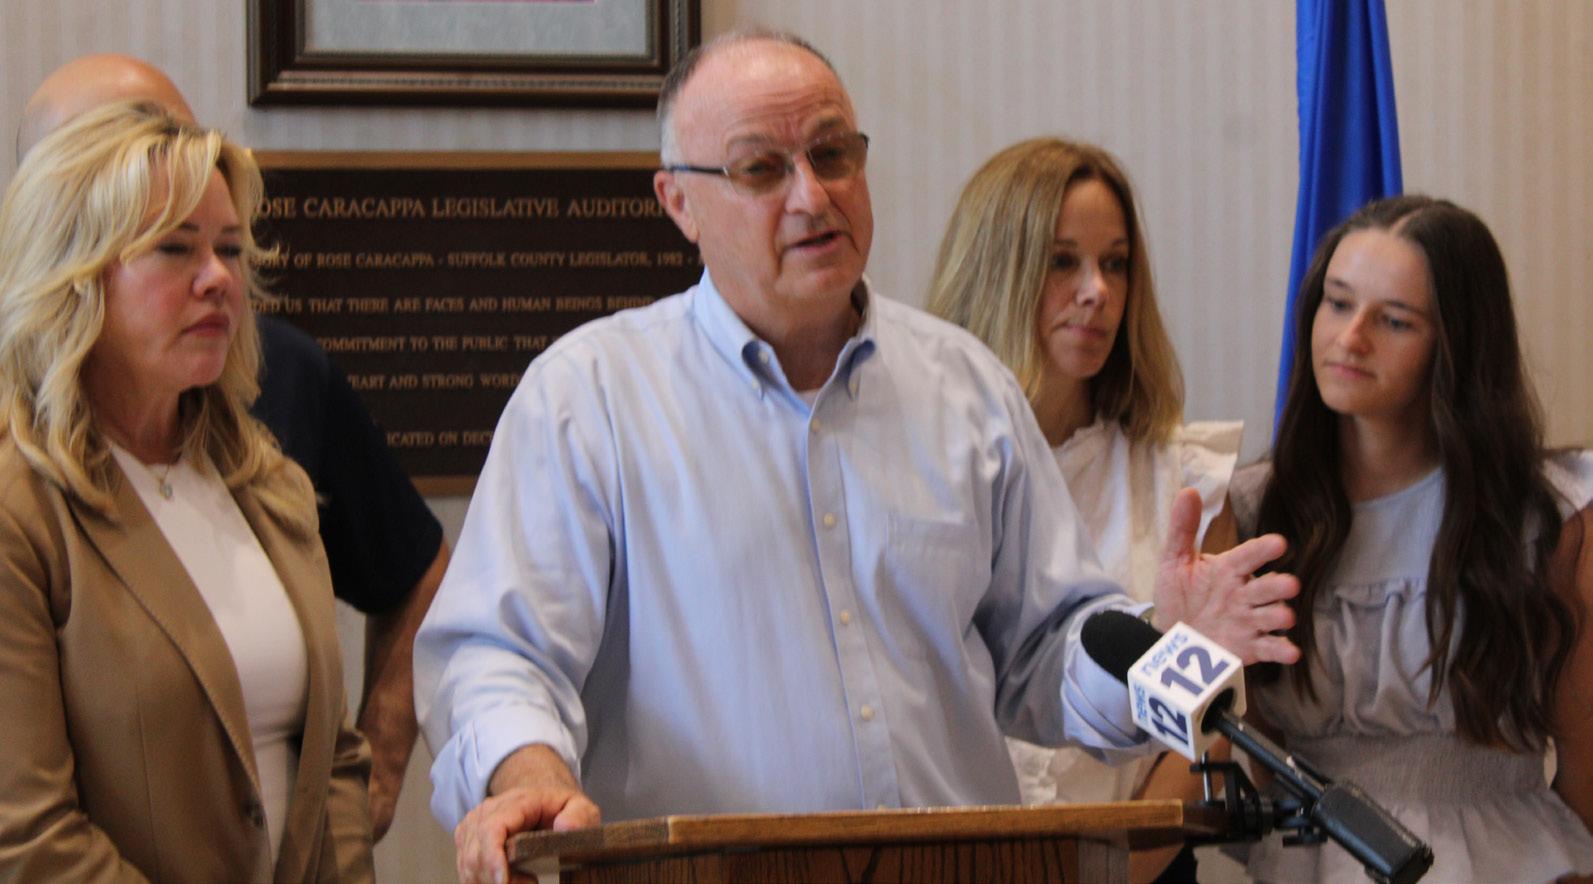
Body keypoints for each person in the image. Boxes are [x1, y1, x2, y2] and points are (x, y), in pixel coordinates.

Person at [415, 30, 1300, 884]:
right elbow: (497, 656)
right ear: (678, 202)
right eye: (761, 169)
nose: (812, 195)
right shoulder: (589, 398)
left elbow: (1047, 654)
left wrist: (1156, 651)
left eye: (832, 154)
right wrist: (529, 776)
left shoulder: (965, 388)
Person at [17, 53, 450, 840]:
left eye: (230, 246)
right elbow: (29, 835)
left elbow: (330, 756)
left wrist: (366, 809)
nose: (217, 277)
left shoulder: (269, 468)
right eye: (173, 244)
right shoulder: (23, 494)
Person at [1232, 195, 1593, 882]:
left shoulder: (1546, 516)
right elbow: (1252, 741)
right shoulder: (1255, 510)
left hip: (1500, 859)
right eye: (1337, 303)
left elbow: (1586, 764)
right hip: (1308, 860)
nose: (1350, 338)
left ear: (1457, 344)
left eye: (1394, 320)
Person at [926, 137, 1241, 881]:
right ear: (997, 269)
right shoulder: (914, 463)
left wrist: (1110, 874)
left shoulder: (1185, 479)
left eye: (1116, 263)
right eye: (1062, 261)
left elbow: (1209, 732)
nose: (1096, 290)